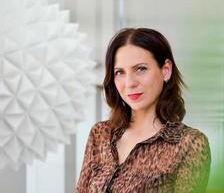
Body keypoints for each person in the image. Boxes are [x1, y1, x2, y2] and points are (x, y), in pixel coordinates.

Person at [76, 28, 211, 193]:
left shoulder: (188, 144)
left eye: (140, 69)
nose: (129, 83)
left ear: (165, 70)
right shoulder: (100, 134)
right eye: (120, 72)